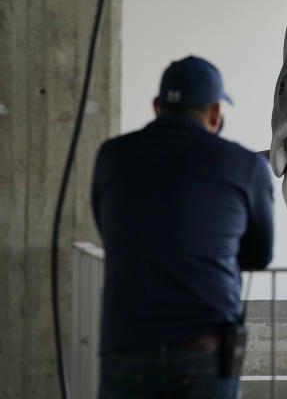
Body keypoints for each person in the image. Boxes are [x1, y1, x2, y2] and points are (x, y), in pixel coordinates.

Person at [93, 56, 274, 399]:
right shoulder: (245, 165)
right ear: (216, 114)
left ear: (158, 106)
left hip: (126, 347)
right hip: (205, 350)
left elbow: (108, 230)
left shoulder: (113, 156)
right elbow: (259, 254)